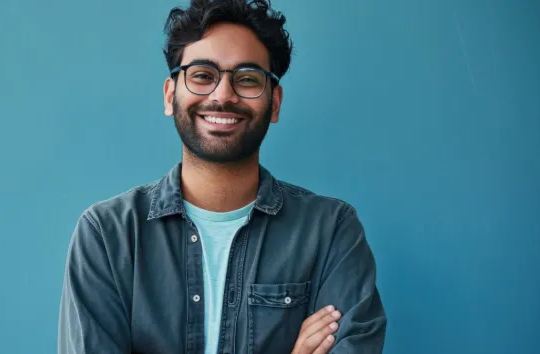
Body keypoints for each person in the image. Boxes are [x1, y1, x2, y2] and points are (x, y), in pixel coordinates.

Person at [58, 0, 387, 353]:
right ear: (171, 95)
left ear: (274, 103)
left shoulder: (331, 231)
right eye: (202, 75)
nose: (223, 95)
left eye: (247, 79)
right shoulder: (108, 235)